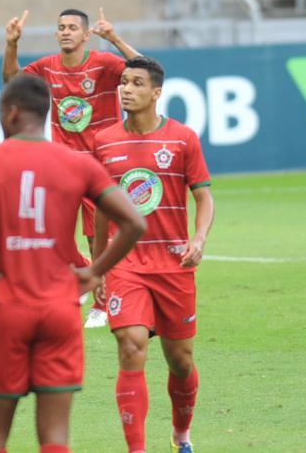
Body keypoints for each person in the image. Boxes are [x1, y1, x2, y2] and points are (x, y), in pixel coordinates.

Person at [0, 74, 146, 453]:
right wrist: (94, 272)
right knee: (55, 436)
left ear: (10, 113)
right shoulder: (80, 165)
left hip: (8, 306)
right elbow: (134, 223)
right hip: (60, 309)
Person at [92, 56, 215, 453]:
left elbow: (204, 197)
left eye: (136, 83)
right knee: (130, 345)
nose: (126, 89)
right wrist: (98, 269)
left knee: (180, 361)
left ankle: (181, 434)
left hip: (173, 265)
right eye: (123, 82)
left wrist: (198, 239)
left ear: (156, 92)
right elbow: (99, 210)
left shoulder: (183, 138)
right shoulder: (104, 141)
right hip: (125, 265)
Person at [2, 7, 142, 328]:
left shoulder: (104, 64)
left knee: (97, 238)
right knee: (51, 230)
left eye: (72, 27)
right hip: (62, 164)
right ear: (56, 34)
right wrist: (12, 44)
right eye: (61, 27)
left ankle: (101, 304)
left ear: (86, 34)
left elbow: (146, 70)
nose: (66, 32)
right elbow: (11, 80)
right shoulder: (48, 67)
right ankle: (81, 275)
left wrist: (115, 39)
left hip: (99, 165)